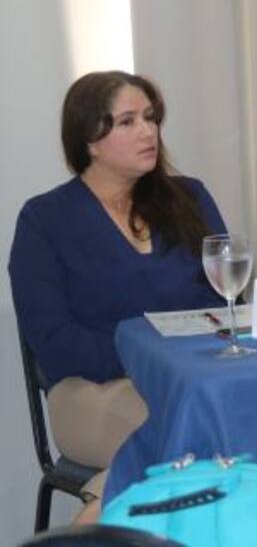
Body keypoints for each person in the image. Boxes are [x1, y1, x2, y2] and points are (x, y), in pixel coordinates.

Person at [9, 71, 226, 521]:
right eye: (127, 122)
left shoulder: (190, 197)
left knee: (221, 417)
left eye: (150, 117)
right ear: (89, 139)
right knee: (203, 431)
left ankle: (93, 514)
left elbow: (225, 303)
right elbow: (57, 344)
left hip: (193, 382)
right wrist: (151, 354)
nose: (148, 131)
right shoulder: (44, 220)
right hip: (91, 391)